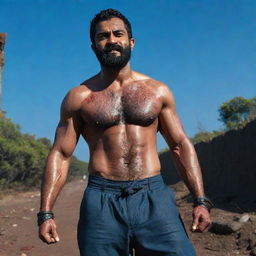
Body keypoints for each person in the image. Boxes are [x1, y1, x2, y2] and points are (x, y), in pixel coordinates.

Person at [38, 8, 212, 256]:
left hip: (153, 196)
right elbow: (61, 154)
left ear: (131, 41)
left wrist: (200, 200)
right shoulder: (79, 97)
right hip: (101, 200)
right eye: (103, 36)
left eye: (117, 34)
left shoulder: (157, 91)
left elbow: (180, 145)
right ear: (93, 46)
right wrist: (45, 213)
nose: (111, 40)